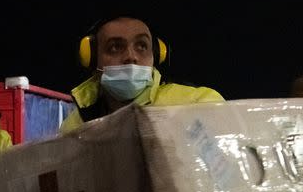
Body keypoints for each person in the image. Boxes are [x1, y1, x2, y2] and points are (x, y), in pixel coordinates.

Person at [60, 16, 224, 133]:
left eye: (141, 46)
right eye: (115, 47)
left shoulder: (199, 103)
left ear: (156, 55)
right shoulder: (73, 127)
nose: (131, 56)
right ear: (92, 59)